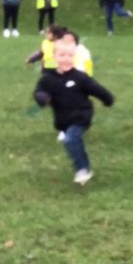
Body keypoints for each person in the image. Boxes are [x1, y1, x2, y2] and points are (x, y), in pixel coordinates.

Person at [32, 38, 114, 186]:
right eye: (62, 55)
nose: (66, 59)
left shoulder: (80, 77)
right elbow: (38, 91)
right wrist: (42, 98)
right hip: (63, 119)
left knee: (70, 139)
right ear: (54, 57)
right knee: (70, 140)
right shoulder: (47, 79)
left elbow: (96, 89)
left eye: (70, 56)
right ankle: (83, 166)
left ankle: (83, 169)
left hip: (81, 115)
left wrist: (107, 99)